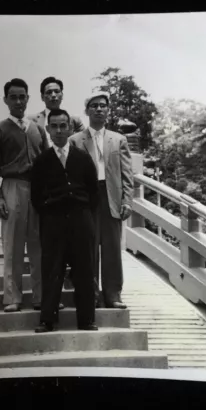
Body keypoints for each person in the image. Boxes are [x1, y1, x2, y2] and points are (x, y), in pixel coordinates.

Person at [0, 78, 58, 313]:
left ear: (28, 99)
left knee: (39, 245)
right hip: (12, 187)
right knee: (13, 246)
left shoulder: (37, 128)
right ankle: (13, 297)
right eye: (13, 97)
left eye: (22, 97)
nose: (18, 101)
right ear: (6, 100)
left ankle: (40, 296)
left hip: (37, 190)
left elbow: (48, 161)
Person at [31, 108, 99, 333]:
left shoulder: (82, 158)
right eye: (54, 126)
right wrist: (52, 212)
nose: (59, 131)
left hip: (81, 219)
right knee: (52, 268)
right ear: (48, 130)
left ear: (70, 129)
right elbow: (36, 196)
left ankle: (87, 319)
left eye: (63, 126)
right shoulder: (42, 161)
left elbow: (93, 192)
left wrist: (84, 214)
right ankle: (47, 319)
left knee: (84, 268)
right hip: (54, 222)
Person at [69, 91, 133, 309]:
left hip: (111, 195)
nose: (98, 109)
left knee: (112, 247)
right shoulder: (75, 141)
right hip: (87, 197)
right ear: (87, 111)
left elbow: (127, 174)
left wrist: (127, 200)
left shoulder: (119, 139)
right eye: (94, 106)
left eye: (103, 105)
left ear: (108, 110)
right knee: (88, 246)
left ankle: (113, 294)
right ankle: (91, 294)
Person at [28, 76, 85, 147]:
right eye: (49, 92)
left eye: (57, 91)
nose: (53, 95)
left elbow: (84, 144)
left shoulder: (75, 121)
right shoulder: (31, 121)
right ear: (42, 97)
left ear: (62, 95)